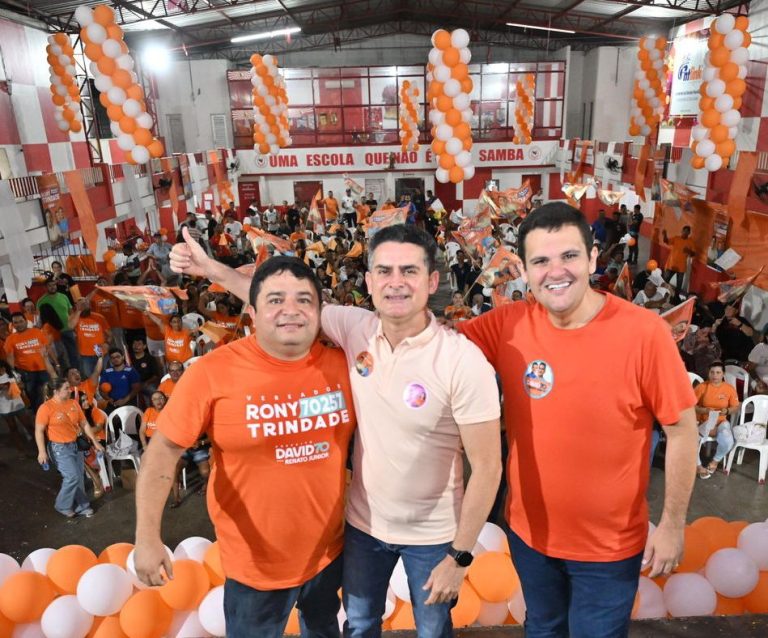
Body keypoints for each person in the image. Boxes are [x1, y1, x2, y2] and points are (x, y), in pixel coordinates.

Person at [170, 225, 502, 637]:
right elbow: (281, 305)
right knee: (359, 625)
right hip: (363, 530)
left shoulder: (462, 362)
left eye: (409, 271)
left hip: (433, 537)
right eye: (384, 271)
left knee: (433, 631)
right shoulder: (354, 327)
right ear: (369, 281)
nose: (396, 282)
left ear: (432, 281)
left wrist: (460, 556)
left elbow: (488, 467)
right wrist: (211, 269)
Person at [457, 202, 698, 638]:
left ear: (592, 258)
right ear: (524, 271)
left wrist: (673, 524)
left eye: (569, 256)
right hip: (529, 537)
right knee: (543, 629)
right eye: (540, 261)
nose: (556, 272)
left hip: (609, 550)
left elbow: (682, 431)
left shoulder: (644, 333)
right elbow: (432, 345)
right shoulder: (506, 326)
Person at [134, 256, 356, 637]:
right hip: (254, 572)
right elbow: (163, 450)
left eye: (304, 300)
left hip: (328, 556)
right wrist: (146, 537)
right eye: (275, 300)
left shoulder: (346, 366)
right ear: (252, 312)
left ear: (321, 312)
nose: (291, 310)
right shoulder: (212, 372)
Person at [35, 378, 103, 518]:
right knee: (72, 477)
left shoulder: (73, 403)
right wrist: (41, 452)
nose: (70, 390)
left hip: (75, 445)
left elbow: (84, 423)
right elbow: (39, 430)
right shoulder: (46, 408)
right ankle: (62, 505)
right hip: (59, 448)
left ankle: (83, 507)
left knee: (79, 477)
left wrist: (95, 442)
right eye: (66, 388)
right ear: (56, 391)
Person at [694, 361, 739, 479]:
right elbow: (691, 406)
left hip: (721, 422)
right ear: (708, 373)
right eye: (712, 372)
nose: (715, 375)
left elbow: (735, 407)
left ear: (723, 374)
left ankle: (715, 461)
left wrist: (727, 411)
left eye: (718, 372)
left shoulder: (729, 389)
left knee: (728, 441)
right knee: (691, 440)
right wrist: (704, 410)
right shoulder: (702, 387)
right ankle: (698, 466)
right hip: (703, 422)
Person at [5, 312, 57, 411]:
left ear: (26, 321)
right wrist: (13, 374)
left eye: (21, 321)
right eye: (16, 322)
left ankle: (51, 411)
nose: (19, 324)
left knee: (48, 391)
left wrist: (56, 362)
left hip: (44, 369)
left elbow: (47, 348)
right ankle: (38, 412)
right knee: (33, 394)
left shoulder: (37, 332)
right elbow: (10, 357)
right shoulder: (10, 339)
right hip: (26, 373)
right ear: (12, 324)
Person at [37, 277, 78, 371]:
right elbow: (40, 318)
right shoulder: (41, 301)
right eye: (50, 286)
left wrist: (74, 327)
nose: (52, 287)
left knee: (73, 353)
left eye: (54, 285)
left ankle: (76, 372)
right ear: (45, 287)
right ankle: (64, 374)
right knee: (60, 356)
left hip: (68, 329)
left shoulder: (64, 297)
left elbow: (71, 312)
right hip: (52, 334)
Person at [68, 299, 110, 379]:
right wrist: (79, 310)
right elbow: (70, 326)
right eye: (81, 305)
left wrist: (107, 343)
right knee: (89, 378)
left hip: (101, 353)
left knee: (106, 377)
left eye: (85, 304)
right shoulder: (75, 318)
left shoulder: (99, 317)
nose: (84, 306)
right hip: (85, 355)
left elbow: (110, 335)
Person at [662, 226, 696, 297]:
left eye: (687, 231)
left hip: (681, 267)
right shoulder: (676, 238)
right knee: (665, 281)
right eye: (684, 231)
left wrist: (689, 251)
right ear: (682, 231)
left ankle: (676, 298)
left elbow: (694, 254)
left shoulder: (691, 242)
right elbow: (666, 241)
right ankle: (662, 294)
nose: (685, 233)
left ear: (689, 233)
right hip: (671, 265)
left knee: (679, 285)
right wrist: (664, 235)